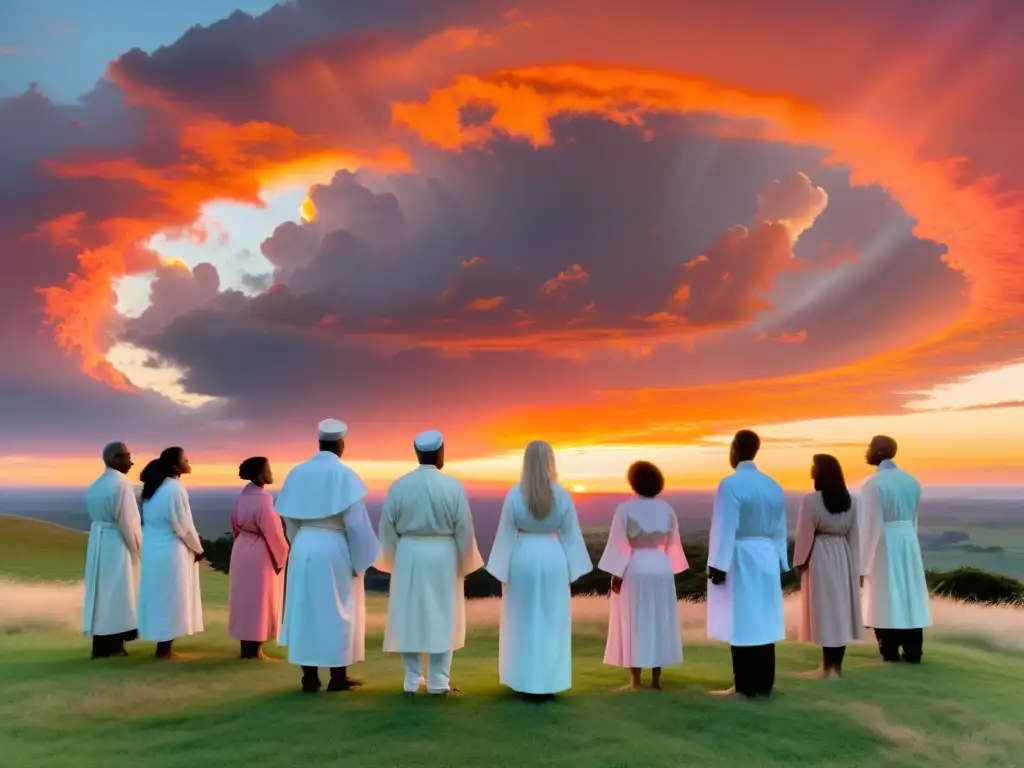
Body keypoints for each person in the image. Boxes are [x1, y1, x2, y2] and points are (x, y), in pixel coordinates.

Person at [275, 419, 380, 693]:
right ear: (341, 444)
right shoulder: (344, 476)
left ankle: (309, 678)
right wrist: (361, 560)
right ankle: (337, 677)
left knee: (305, 609)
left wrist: (301, 545)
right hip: (334, 547)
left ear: (319, 442)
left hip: (303, 545)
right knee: (337, 610)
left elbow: (289, 519)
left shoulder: (297, 473)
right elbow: (356, 524)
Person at [376, 430, 483, 696]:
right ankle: (438, 681)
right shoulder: (452, 486)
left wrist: (392, 560)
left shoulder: (399, 485)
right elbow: (464, 530)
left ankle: (412, 679)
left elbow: (387, 528)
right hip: (443, 556)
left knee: (409, 615)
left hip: (408, 554)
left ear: (417, 452)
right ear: (440, 453)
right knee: (443, 615)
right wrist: (465, 563)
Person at [486, 440, 592, 700]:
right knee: (551, 619)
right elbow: (571, 536)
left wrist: (501, 568)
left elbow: (505, 534)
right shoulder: (563, 494)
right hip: (553, 557)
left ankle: (523, 681)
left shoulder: (514, 494)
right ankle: (548, 682)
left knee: (522, 619)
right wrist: (572, 567)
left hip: (522, 557)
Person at [706, 430, 788, 698]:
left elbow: (725, 525)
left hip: (740, 555)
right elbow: (779, 529)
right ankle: (764, 683)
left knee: (741, 619)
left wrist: (718, 563)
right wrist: (782, 562)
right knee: (763, 619)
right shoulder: (773, 485)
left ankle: (742, 686)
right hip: (767, 555)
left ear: (735, 449)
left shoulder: (730, 484)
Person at [598, 461, 687, 690]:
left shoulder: (625, 509)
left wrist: (615, 575)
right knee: (659, 620)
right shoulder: (666, 509)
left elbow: (618, 545)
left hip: (635, 566)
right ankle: (656, 681)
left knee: (634, 621)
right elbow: (673, 544)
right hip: (661, 567)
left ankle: (635, 681)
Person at [859, 435, 932, 663]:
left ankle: (889, 650)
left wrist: (861, 564)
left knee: (885, 594)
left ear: (879, 452)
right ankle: (913, 650)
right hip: (907, 540)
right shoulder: (911, 481)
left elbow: (868, 525)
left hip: (884, 542)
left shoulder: (873, 484)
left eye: (870, 447)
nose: (867, 451)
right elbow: (914, 518)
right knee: (909, 594)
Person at [793, 454, 862, 678]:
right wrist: (856, 567)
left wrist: (800, 561)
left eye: (814, 466)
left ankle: (827, 668)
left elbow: (805, 535)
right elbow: (855, 536)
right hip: (843, 556)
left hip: (820, 556)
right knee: (839, 611)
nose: (810, 470)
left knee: (826, 611)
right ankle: (835, 669)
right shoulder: (851, 501)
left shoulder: (811, 500)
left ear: (822, 472)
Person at [137, 447, 204, 659]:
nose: (188, 461)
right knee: (171, 596)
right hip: (170, 550)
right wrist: (198, 548)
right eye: (185, 458)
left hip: (152, 547)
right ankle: (164, 650)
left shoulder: (152, 488)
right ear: (175, 466)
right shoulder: (174, 489)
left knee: (159, 595)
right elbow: (183, 525)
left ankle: (162, 645)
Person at [82, 441, 143, 659]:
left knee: (102, 593)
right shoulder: (121, 483)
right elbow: (128, 521)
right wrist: (138, 547)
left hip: (98, 542)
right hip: (116, 543)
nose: (131, 461)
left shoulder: (97, 484)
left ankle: (102, 644)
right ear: (115, 458)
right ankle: (114, 645)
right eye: (127, 456)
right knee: (119, 593)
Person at [228, 457, 290, 660]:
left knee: (244, 599)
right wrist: (282, 556)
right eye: (268, 470)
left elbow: (235, 526)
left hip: (241, 549)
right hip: (259, 553)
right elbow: (273, 532)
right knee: (259, 600)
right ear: (259, 475)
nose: (271, 473)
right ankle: (255, 651)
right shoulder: (264, 500)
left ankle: (246, 649)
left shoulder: (240, 497)